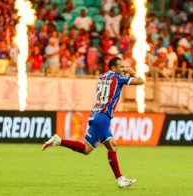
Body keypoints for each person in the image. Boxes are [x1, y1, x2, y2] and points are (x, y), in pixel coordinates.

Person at [42, 57, 145, 188]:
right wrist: (131, 71)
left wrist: (123, 72)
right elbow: (141, 81)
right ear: (113, 68)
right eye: (121, 66)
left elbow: (111, 84)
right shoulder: (118, 78)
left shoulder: (103, 76)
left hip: (96, 114)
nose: (123, 69)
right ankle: (120, 179)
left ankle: (120, 179)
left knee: (103, 147)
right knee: (96, 148)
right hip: (102, 117)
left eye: (124, 67)